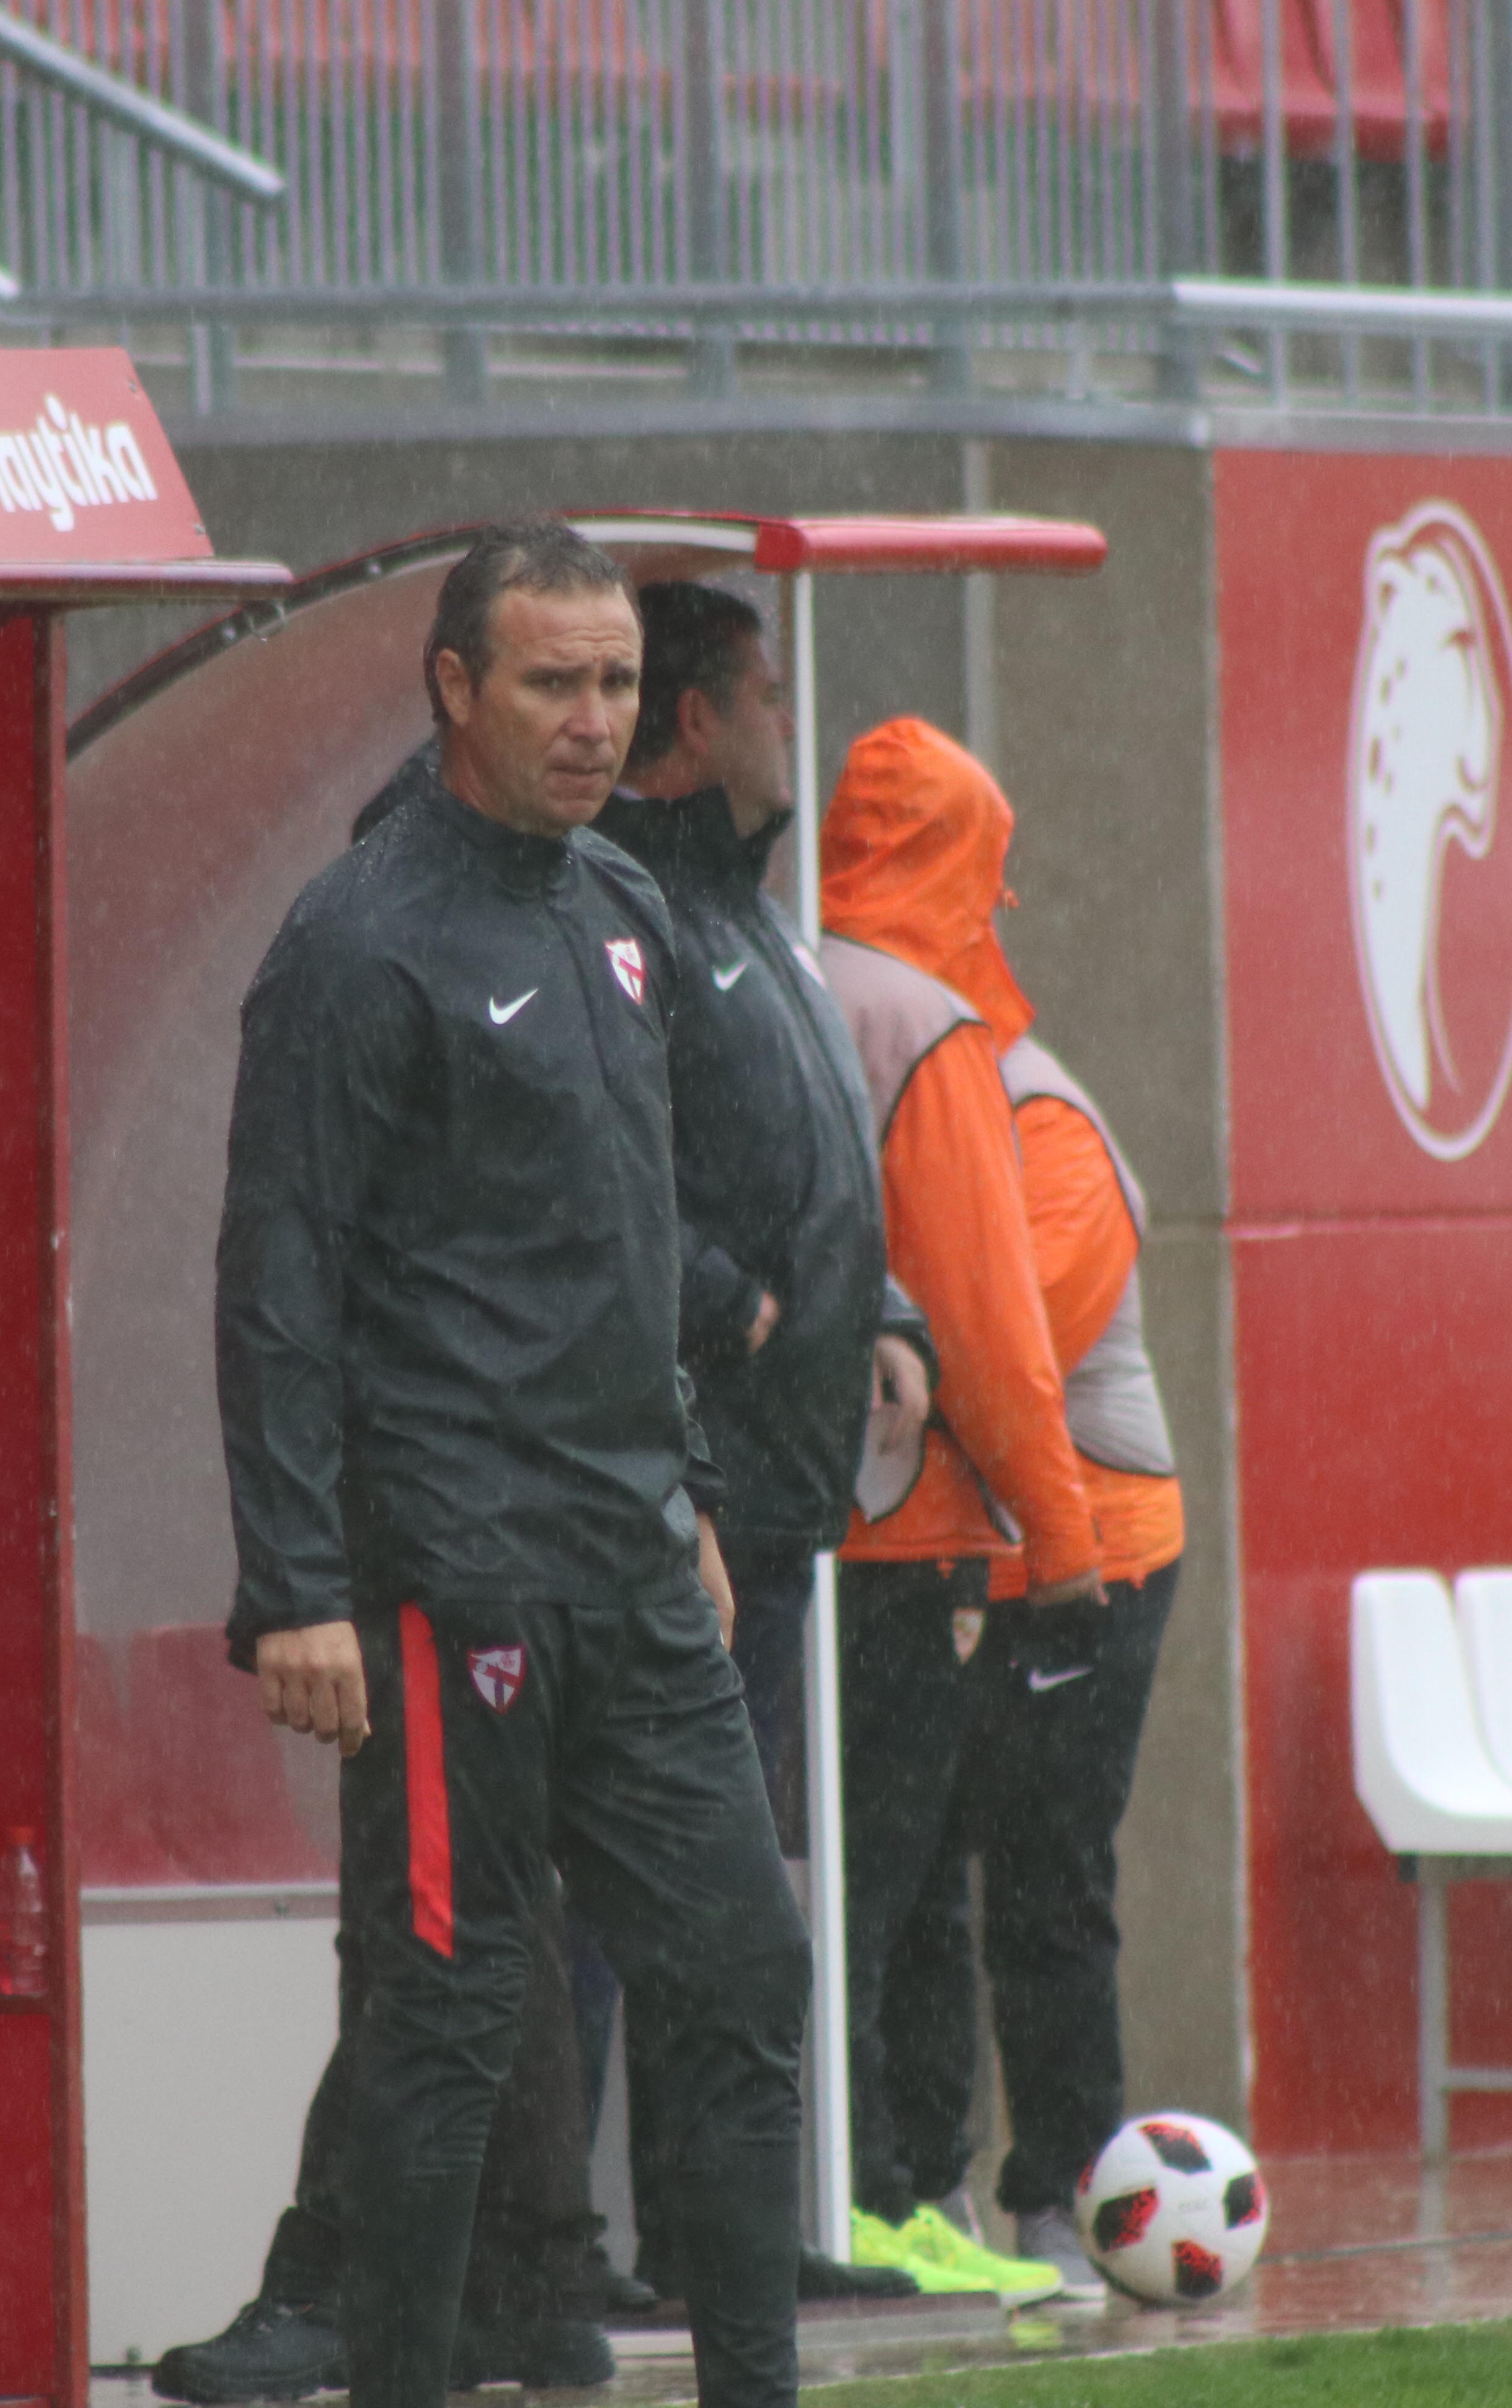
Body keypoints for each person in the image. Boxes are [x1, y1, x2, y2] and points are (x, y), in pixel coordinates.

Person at [217, 519, 809, 2408]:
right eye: (552, 681)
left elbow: (636, 1238)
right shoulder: (356, 940)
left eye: (618, 683)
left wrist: (692, 1485)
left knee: (743, 1970)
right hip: (448, 1577)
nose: (590, 718)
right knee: (452, 2019)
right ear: (454, 690)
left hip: (633, 1562)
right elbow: (277, 1283)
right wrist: (296, 1586)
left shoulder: (620, 911)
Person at [588, 582, 927, 2306]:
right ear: (703, 719)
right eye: (770, 693)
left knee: (738, 1890)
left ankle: (732, 2235)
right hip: (689, 1488)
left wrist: (892, 1318)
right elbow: (614, 1165)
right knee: (655, 1884)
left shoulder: (748, 912)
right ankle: (596, 2246)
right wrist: (733, 1308)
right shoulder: (638, 901)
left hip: (784, 1493)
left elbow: (822, 1152)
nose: (791, 721)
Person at [812, 716, 1105, 2306]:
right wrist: (1060, 1545)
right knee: (909, 1894)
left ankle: (858, 2194)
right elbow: (990, 1325)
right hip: (907, 1528)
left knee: (839, 1881)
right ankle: (896, 2203)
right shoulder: (926, 1028)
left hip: (790, 1517)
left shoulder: (786, 977)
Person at [874, 1033, 1186, 2298]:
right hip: (941, 1560)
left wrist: (867, 1334)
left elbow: (1000, 1353)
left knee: (1047, 1879)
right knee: (919, 1884)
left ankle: (1064, 2197)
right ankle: (926, 2185)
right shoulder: (893, 1075)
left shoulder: (1041, 1112)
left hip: (1089, 1557)